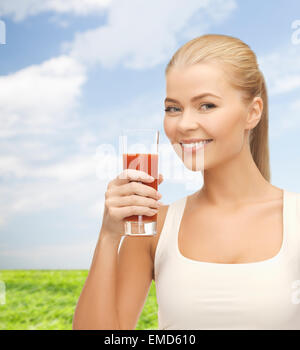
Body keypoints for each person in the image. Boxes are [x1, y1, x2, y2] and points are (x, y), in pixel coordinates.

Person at [72, 34, 300, 330]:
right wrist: (108, 236)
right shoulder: (153, 227)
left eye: (206, 106)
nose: (183, 124)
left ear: (252, 112)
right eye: (173, 108)